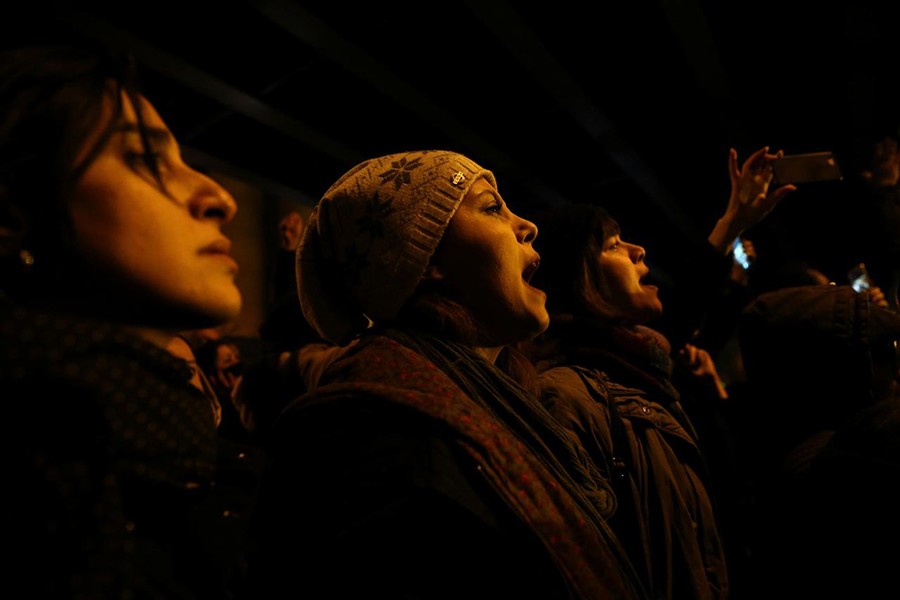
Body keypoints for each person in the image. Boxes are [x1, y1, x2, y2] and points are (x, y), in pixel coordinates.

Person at [244, 149, 648, 599]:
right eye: (492, 207)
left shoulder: (503, 402)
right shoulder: (379, 442)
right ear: (424, 260)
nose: (528, 226)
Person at [0, 45, 249, 599]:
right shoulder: (46, 480)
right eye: (144, 159)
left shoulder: (168, 443)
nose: (220, 199)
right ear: (13, 209)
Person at [524, 146, 795, 599]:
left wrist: (734, 220)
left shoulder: (643, 368)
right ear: (581, 279)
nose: (637, 249)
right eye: (612, 245)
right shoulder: (566, 395)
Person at [736, 283, 900, 598]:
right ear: (843, 371)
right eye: (886, 352)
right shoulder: (853, 469)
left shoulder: (793, 456)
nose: (897, 368)